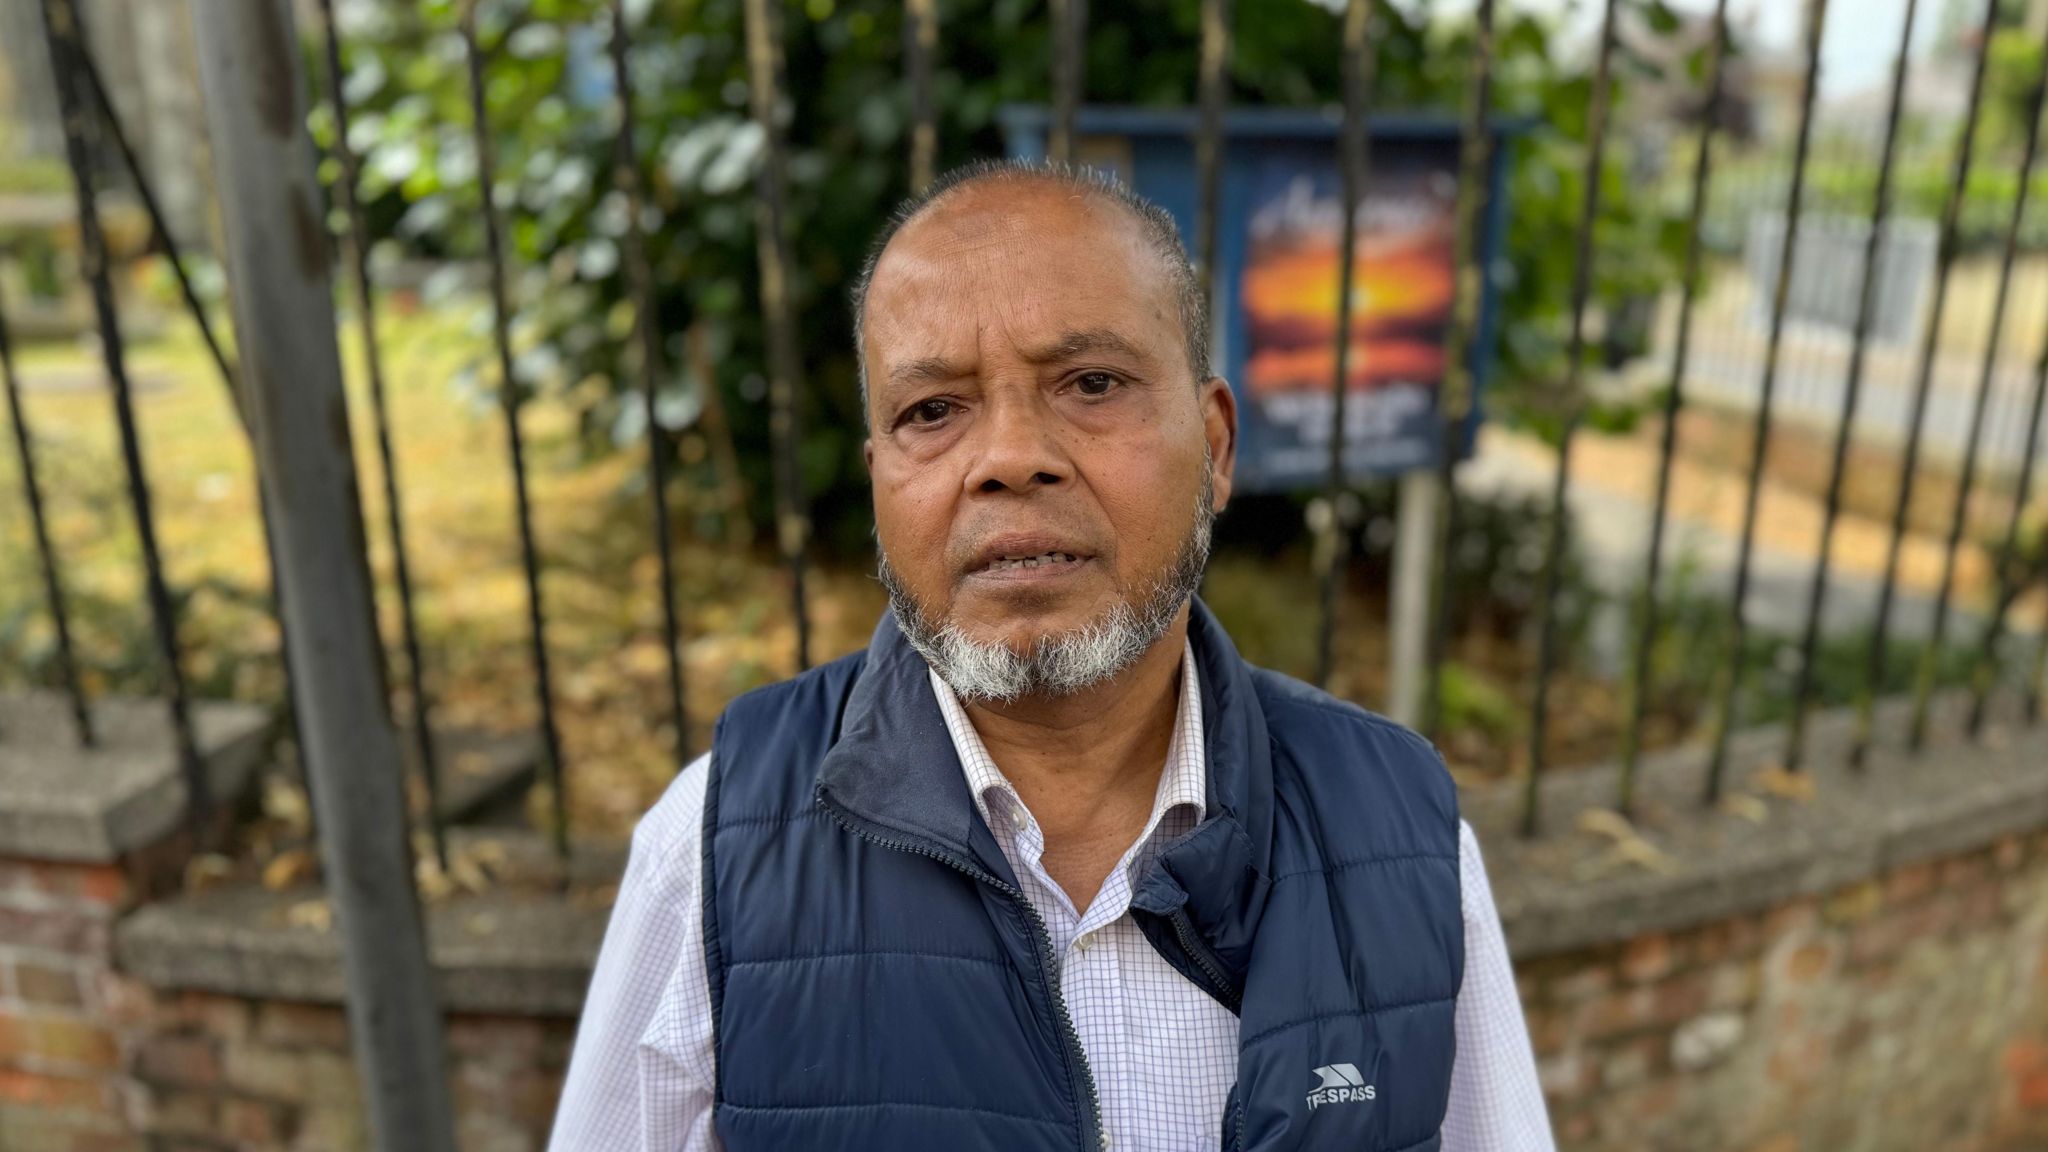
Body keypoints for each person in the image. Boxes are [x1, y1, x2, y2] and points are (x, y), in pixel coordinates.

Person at [549, 159, 1553, 1151]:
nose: (1007, 458)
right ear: (877, 484)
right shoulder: (714, 846)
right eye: (931, 411)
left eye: (1091, 383)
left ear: (1213, 448)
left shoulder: (1397, 832)